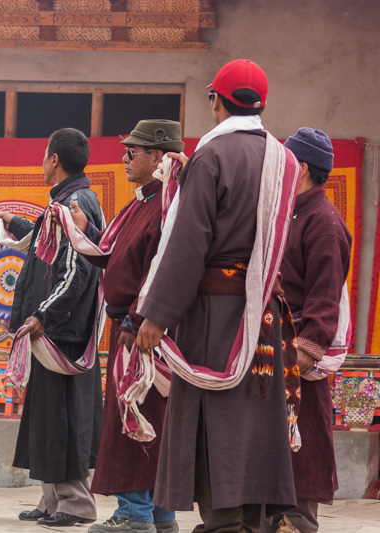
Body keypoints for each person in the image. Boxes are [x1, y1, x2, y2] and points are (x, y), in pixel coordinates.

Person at [135, 59, 300, 531]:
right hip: (261, 312)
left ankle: (223, 524)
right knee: (253, 423)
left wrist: (157, 314)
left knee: (215, 422)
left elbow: (189, 243)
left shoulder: (212, 157)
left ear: (216, 101)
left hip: (214, 313)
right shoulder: (285, 161)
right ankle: (250, 523)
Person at [64, 120, 184, 533]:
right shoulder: (142, 202)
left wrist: (138, 318)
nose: (124, 158)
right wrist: (87, 232)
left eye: (132, 152)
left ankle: (135, 514)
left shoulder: (167, 205)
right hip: (133, 326)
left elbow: (160, 268)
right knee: (147, 416)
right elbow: (118, 257)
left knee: (136, 415)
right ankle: (159, 515)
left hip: (142, 330)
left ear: (158, 157)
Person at [0, 128, 104, 528]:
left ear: (54, 159)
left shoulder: (75, 203)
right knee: (48, 417)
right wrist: (15, 223)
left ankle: (76, 503)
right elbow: (47, 245)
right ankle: (53, 499)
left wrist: (43, 315)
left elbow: (76, 269)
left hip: (63, 333)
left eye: (44, 155)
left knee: (65, 418)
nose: (42, 162)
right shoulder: (67, 200)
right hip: (56, 331)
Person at [264, 128, 351, 533]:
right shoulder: (290, 213)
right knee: (273, 441)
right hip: (275, 344)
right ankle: (271, 517)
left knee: (304, 437)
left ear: (299, 168)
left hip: (298, 351)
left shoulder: (323, 221)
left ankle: (296, 521)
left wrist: (305, 349)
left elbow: (325, 294)